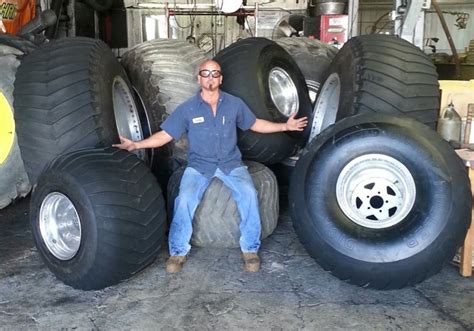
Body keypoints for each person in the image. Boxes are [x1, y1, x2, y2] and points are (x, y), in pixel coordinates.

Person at [113, 59, 307, 273]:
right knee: (184, 199)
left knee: (250, 194)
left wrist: (285, 126)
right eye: (206, 73)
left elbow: (255, 124)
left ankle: (250, 249)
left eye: (215, 74)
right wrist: (137, 144)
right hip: (199, 165)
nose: (210, 78)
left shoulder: (234, 104)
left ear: (221, 78)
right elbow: (165, 135)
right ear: (199, 78)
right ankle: (178, 252)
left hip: (231, 163)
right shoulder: (187, 109)